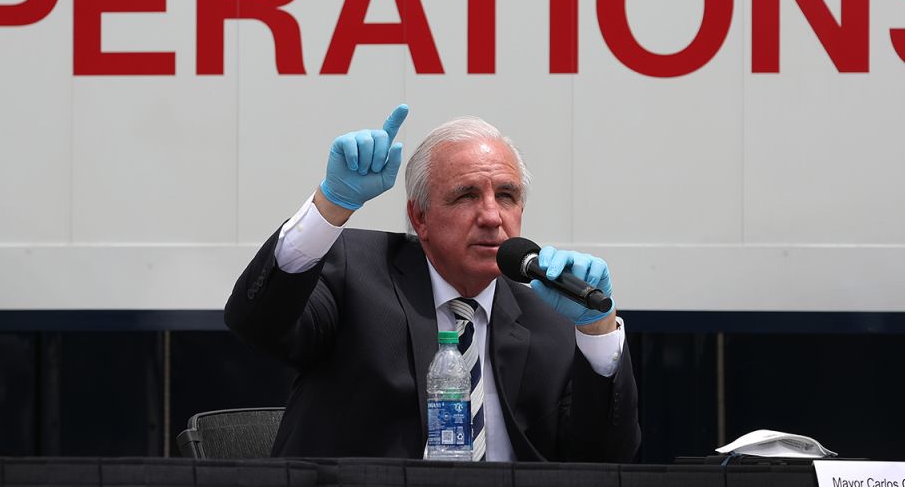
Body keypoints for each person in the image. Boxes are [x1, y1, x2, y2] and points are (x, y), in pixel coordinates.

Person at [224, 104, 640, 462]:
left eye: (507, 196)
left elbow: (603, 460)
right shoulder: (356, 271)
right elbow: (258, 323)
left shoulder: (549, 319)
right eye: (466, 196)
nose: (492, 216)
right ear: (419, 217)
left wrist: (596, 329)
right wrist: (331, 204)